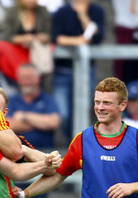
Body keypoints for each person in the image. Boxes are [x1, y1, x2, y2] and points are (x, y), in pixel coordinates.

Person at [7, 62, 61, 198]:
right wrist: (38, 121)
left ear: (38, 79)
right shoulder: (12, 100)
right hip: (19, 162)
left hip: (43, 160)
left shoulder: (47, 99)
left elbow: (53, 122)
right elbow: (7, 124)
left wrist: (24, 117)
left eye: (30, 77)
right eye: (23, 78)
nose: (27, 82)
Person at [51, 0, 104, 142]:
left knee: (83, 109)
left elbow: (97, 37)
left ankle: (78, 144)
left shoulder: (97, 11)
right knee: (63, 114)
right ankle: (73, 141)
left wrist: (82, 15)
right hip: (63, 71)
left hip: (86, 71)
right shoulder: (62, 12)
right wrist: (79, 40)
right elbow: (57, 38)